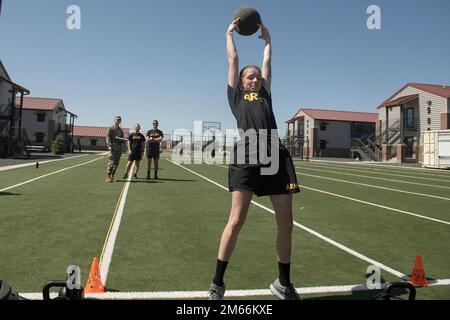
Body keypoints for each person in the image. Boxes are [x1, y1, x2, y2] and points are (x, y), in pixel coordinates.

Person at [207, 19, 301, 300]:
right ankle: (217, 283)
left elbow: (268, 62)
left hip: (275, 154)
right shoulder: (236, 96)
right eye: (251, 77)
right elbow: (233, 58)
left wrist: (268, 39)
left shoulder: (265, 95)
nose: (255, 79)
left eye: (258, 77)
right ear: (241, 81)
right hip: (246, 155)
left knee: (286, 222)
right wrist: (228, 34)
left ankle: (283, 284)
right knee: (236, 220)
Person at [105, 116, 124, 182]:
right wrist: (109, 145)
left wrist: (122, 145)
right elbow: (108, 137)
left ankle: (112, 176)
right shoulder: (111, 128)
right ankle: (108, 176)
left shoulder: (120, 130)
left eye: (119, 120)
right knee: (111, 162)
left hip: (119, 148)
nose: (118, 121)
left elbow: (121, 138)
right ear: (114, 120)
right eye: (117, 119)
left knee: (116, 162)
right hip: (112, 147)